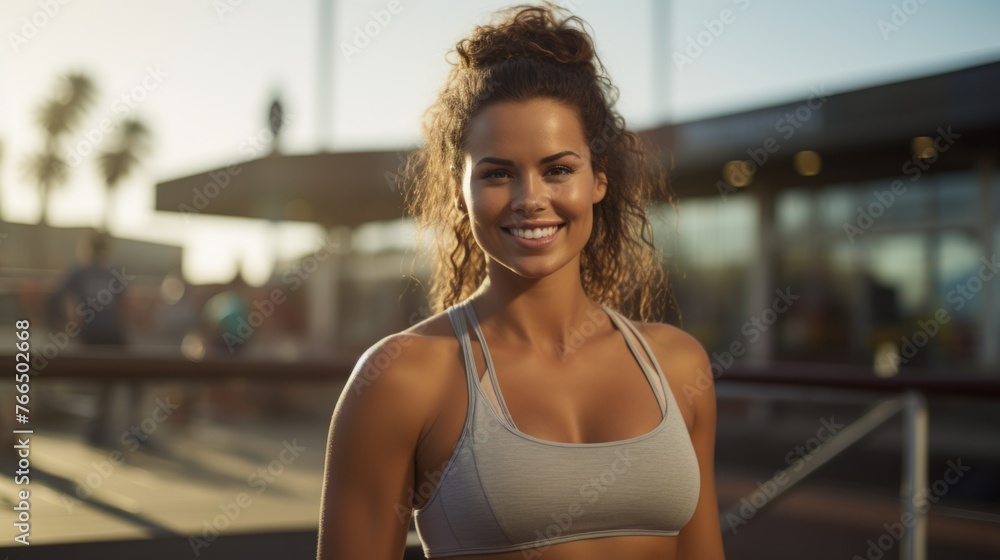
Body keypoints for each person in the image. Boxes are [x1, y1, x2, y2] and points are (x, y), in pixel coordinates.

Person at [317, 3, 725, 559]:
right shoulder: (403, 378)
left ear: (598, 180)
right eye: (497, 173)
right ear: (461, 192)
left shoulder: (679, 365)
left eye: (558, 169)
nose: (531, 199)